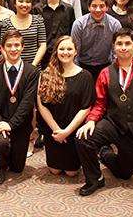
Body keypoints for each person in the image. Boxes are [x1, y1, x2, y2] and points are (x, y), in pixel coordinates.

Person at [75, 28, 133, 197]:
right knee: (83, 138)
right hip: (113, 123)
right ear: (113, 46)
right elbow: (99, 103)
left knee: (125, 173)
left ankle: (105, 153)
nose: (123, 47)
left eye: (128, 43)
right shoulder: (105, 73)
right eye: (119, 44)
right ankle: (95, 178)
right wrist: (91, 120)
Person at [0, 30, 39, 185]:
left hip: (21, 124)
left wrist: (11, 124)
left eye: (17, 45)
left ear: (22, 47)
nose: (13, 49)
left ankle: (11, 155)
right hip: (0, 122)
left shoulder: (32, 72)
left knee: (17, 168)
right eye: (9, 45)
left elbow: (27, 103)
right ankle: (0, 165)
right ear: (3, 48)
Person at [38, 36, 95, 176]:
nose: (65, 52)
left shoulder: (85, 76)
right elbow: (41, 105)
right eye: (62, 49)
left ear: (76, 51)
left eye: (69, 49)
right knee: (54, 170)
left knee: (71, 172)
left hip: (73, 130)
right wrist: (57, 130)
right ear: (56, 51)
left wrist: (67, 132)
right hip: (53, 129)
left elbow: (86, 107)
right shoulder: (46, 74)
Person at [71, 0, 121, 81]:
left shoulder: (115, 25)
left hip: (106, 66)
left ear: (107, 8)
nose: (98, 10)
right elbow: (75, 53)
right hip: (82, 66)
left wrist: (111, 72)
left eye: (102, 6)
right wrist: (78, 74)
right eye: (94, 6)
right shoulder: (79, 24)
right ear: (89, 7)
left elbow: (115, 53)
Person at [0, 0, 47, 68]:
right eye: (21, 1)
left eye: (28, 2)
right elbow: (2, 47)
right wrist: (12, 64)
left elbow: (42, 45)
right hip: (13, 67)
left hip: (34, 68)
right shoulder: (6, 23)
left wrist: (32, 66)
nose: (24, 5)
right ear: (14, 3)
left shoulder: (38, 20)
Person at [37, 0, 75, 69]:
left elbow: (71, 33)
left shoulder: (69, 9)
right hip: (43, 56)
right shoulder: (37, 9)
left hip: (63, 55)